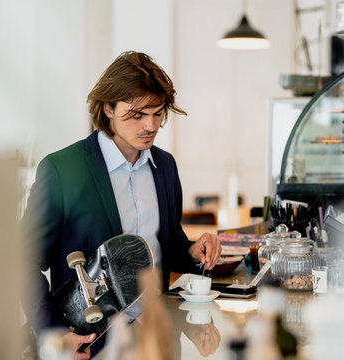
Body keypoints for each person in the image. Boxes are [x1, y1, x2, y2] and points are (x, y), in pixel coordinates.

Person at [21, 51, 221, 359]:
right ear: (108, 109)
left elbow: (166, 244)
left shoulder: (164, 166)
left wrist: (193, 252)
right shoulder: (62, 170)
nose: (150, 126)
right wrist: (53, 333)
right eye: (137, 115)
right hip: (90, 344)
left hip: (160, 336)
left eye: (158, 114)